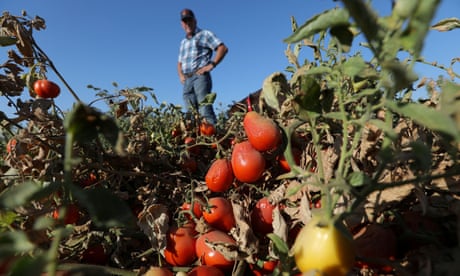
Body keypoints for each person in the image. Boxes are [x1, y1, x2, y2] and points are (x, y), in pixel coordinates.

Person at [177, 8, 228, 126]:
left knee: (204, 109)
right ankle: (196, 140)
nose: (187, 23)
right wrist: (180, 75)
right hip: (187, 80)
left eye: (189, 20)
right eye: (185, 21)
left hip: (200, 77)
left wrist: (212, 64)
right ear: (182, 24)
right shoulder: (183, 42)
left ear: (195, 21)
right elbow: (179, 62)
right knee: (190, 114)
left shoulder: (204, 34)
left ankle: (213, 140)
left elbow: (222, 48)